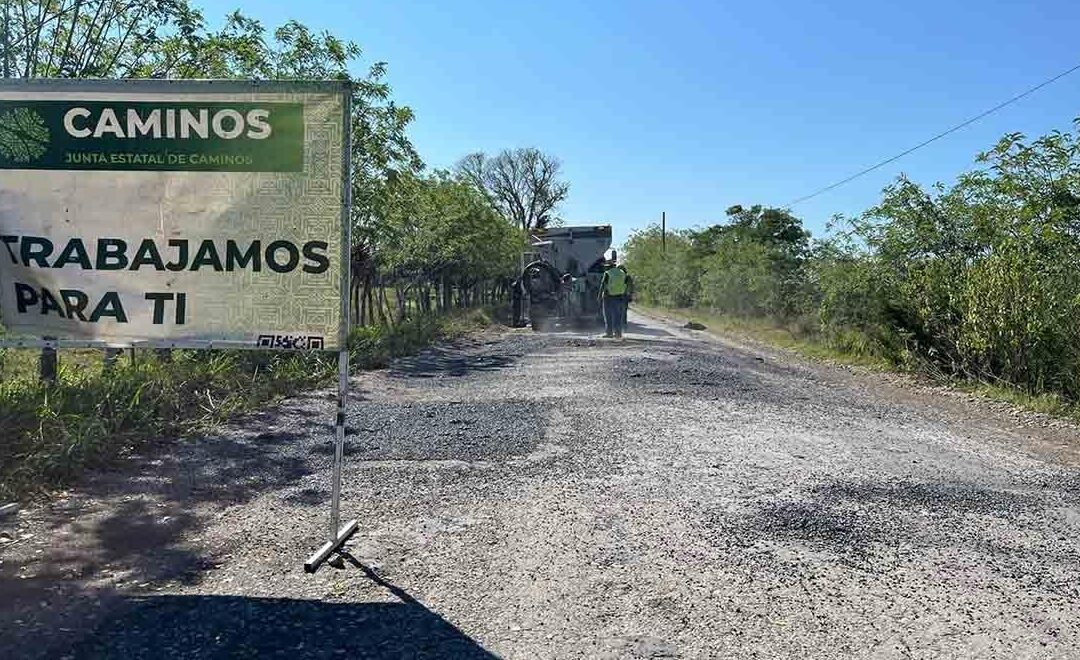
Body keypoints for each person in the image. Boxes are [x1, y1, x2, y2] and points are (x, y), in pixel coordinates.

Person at [598, 254, 628, 338]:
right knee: (618, 315)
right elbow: (625, 284)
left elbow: (603, 285)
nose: (605, 268)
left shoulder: (607, 273)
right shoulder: (622, 273)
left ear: (608, 267)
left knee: (608, 315)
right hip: (620, 296)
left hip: (608, 296)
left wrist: (599, 296)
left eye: (606, 266)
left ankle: (609, 333)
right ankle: (618, 333)